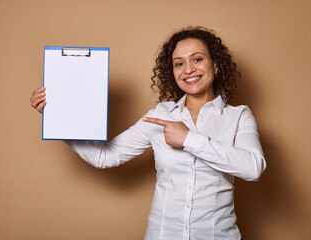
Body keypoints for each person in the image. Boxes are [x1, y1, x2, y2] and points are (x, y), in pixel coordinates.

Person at [30, 26, 266, 240]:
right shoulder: (160, 115)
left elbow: (253, 167)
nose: (189, 69)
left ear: (215, 65)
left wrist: (189, 139)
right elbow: (105, 156)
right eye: (179, 63)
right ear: (172, 71)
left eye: (197, 59)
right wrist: (59, 118)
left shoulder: (239, 116)